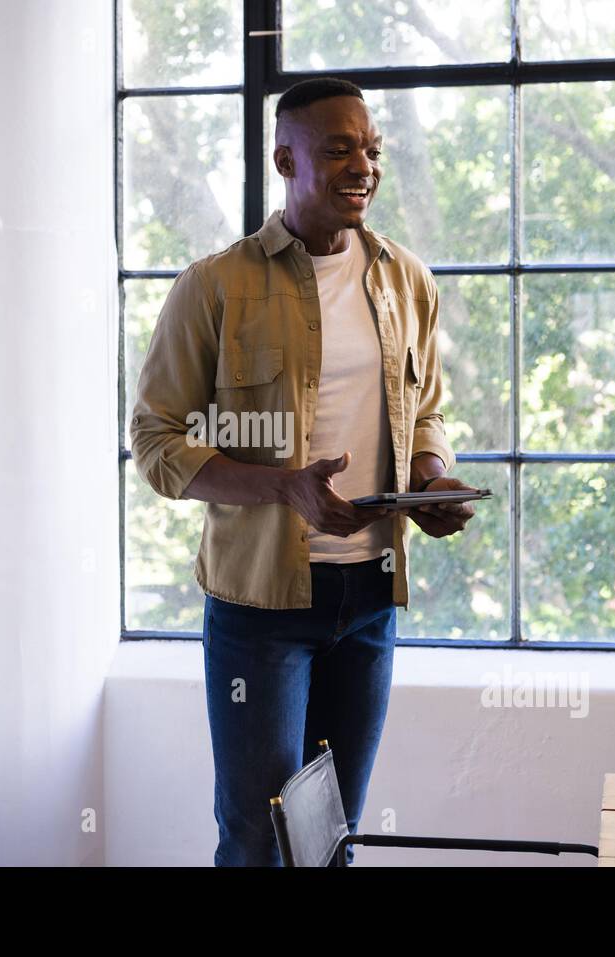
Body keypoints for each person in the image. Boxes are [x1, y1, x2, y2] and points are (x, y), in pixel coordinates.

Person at [130, 76, 478, 866]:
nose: (363, 165)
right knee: (258, 840)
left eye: (371, 148)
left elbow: (427, 411)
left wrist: (430, 476)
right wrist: (282, 487)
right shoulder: (215, 286)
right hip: (260, 609)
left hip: (369, 602)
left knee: (327, 842)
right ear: (285, 158)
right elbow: (156, 442)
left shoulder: (406, 281)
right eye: (338, 148)